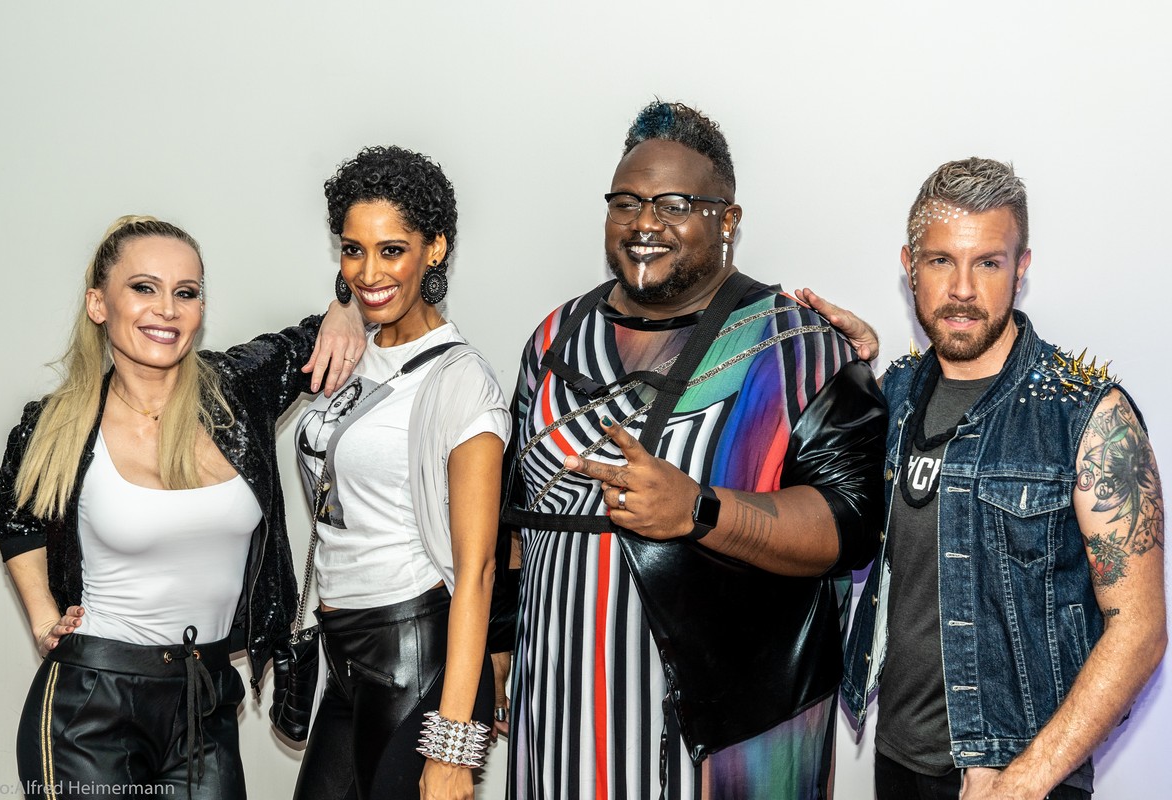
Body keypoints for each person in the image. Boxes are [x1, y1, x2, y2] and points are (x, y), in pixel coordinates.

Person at [495, 101, 887, 799]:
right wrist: (499, 644)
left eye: (674, 205)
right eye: (626, 202)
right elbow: (516, 515)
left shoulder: (795, 346)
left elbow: (848, 526)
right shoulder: (554, 339)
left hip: (727, 738)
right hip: (556, 717)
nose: (644, 223)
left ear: (727, 220)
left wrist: (699, 510)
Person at [0, 215, 366, 799]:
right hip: (90, 706)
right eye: (144, 287)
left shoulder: (236, 391)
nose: (167, 309)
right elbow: (14, 516)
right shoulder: (57, 424)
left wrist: (345, 305)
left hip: (204, 700)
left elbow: (322, 335)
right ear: (98, 304)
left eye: (185, 293)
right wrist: (43, 620)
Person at [834, 157, 1167, 799]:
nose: (962, 289)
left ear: (1021, 268)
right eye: (940, 261)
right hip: (898, 762)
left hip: (1018, 775)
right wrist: (839, 364)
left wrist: (1024, 781)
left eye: (988, 262)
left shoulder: (1088, 417)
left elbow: (1140, 629)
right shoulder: (893, 394)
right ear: (909, 266)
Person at [291, 145, 507, 800]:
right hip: (342, 657)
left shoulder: (461, 382)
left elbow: (477, 570)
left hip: (413, 656)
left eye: (392, 250)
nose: (368, 272)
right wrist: (341, 310)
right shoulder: (349, 348)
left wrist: (452, 748)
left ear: (434, 249)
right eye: (353, 250)